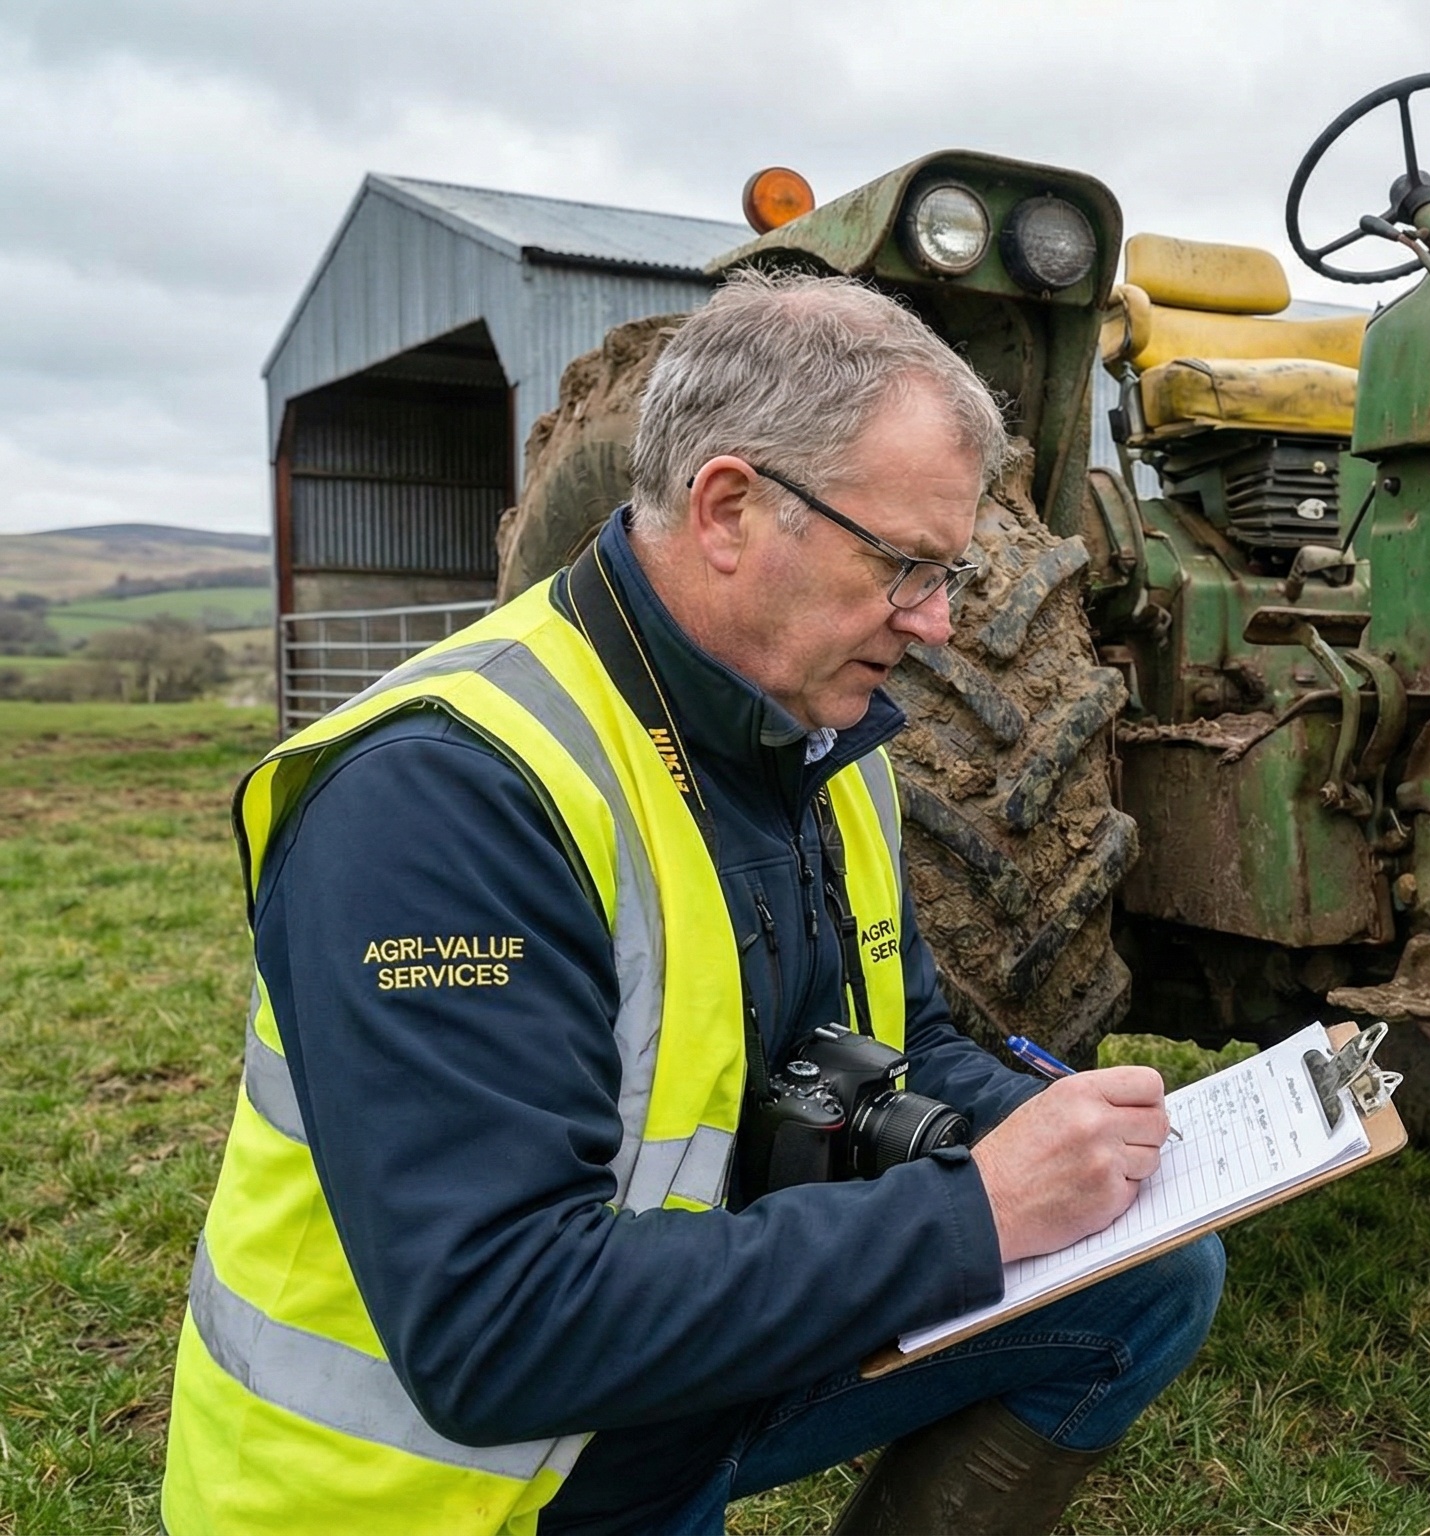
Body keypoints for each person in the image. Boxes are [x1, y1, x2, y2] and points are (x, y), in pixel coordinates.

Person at [163, 270, 1224, 1535]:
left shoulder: (820, 736)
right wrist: (979, 1210)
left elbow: (908, 1035)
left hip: (648, 1384)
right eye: (906, 566)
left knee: (1148, 1274)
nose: (938, 625)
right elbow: (500, 1329)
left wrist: (1091, 1141)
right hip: (445, 1488)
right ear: (729, 508)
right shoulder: (444, 797)